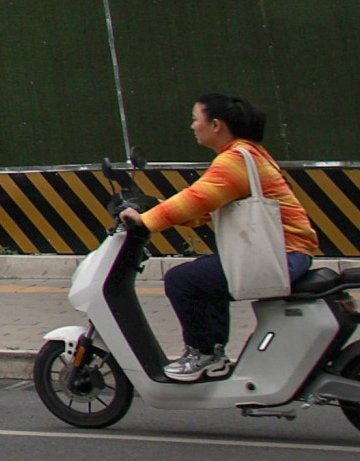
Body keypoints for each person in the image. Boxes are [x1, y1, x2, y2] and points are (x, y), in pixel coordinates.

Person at [123, 91, 315, 380]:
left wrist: (145, 221)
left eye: (195, 119)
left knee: (183, 280)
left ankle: (203, 354)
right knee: (204, 275)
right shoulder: (248, 154)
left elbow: (197, 198)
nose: (192, 126)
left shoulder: (235, 159)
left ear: (216, 125)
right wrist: (160, 209)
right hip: (288, 252)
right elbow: (203, 208)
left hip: (283, 256)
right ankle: (213, 354)